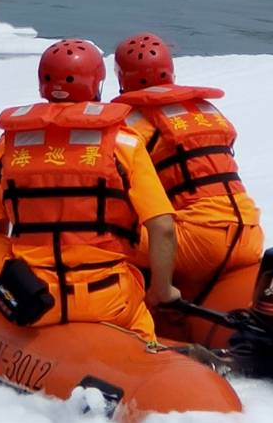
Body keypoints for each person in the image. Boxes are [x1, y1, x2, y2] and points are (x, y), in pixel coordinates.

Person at [0, 38, 181, 340]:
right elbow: (163, 227)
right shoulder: (124, 142)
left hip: (37, 299)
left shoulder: (9, 144)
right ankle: (149, 351)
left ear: (42, 87)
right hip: (109, 300)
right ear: (97, 86)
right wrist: (161, 289)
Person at [111, 33, 264, 301]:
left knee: (97, 240)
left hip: (198, 240)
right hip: (250, 233)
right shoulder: (207, 111)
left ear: (122, 77)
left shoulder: (131, 124)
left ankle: (130, 315)